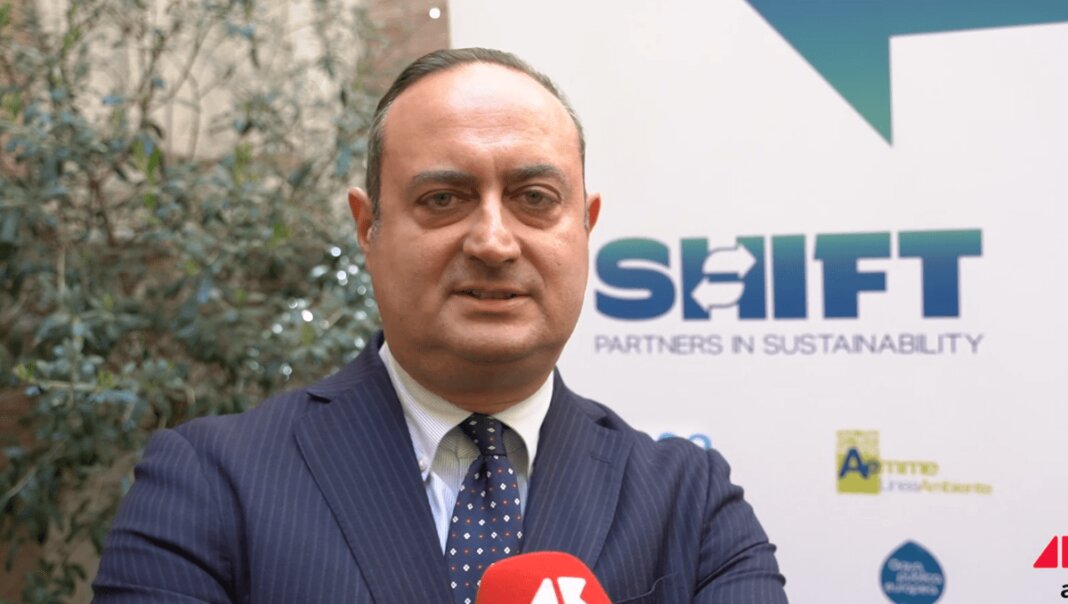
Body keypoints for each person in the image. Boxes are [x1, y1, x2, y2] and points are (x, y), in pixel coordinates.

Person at [93, 48, 788, 603]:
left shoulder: (690, 504)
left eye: (534, 198)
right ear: (369, 228)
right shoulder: (210, 484)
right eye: (444, 198)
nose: (493, 241)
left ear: (585, 226)